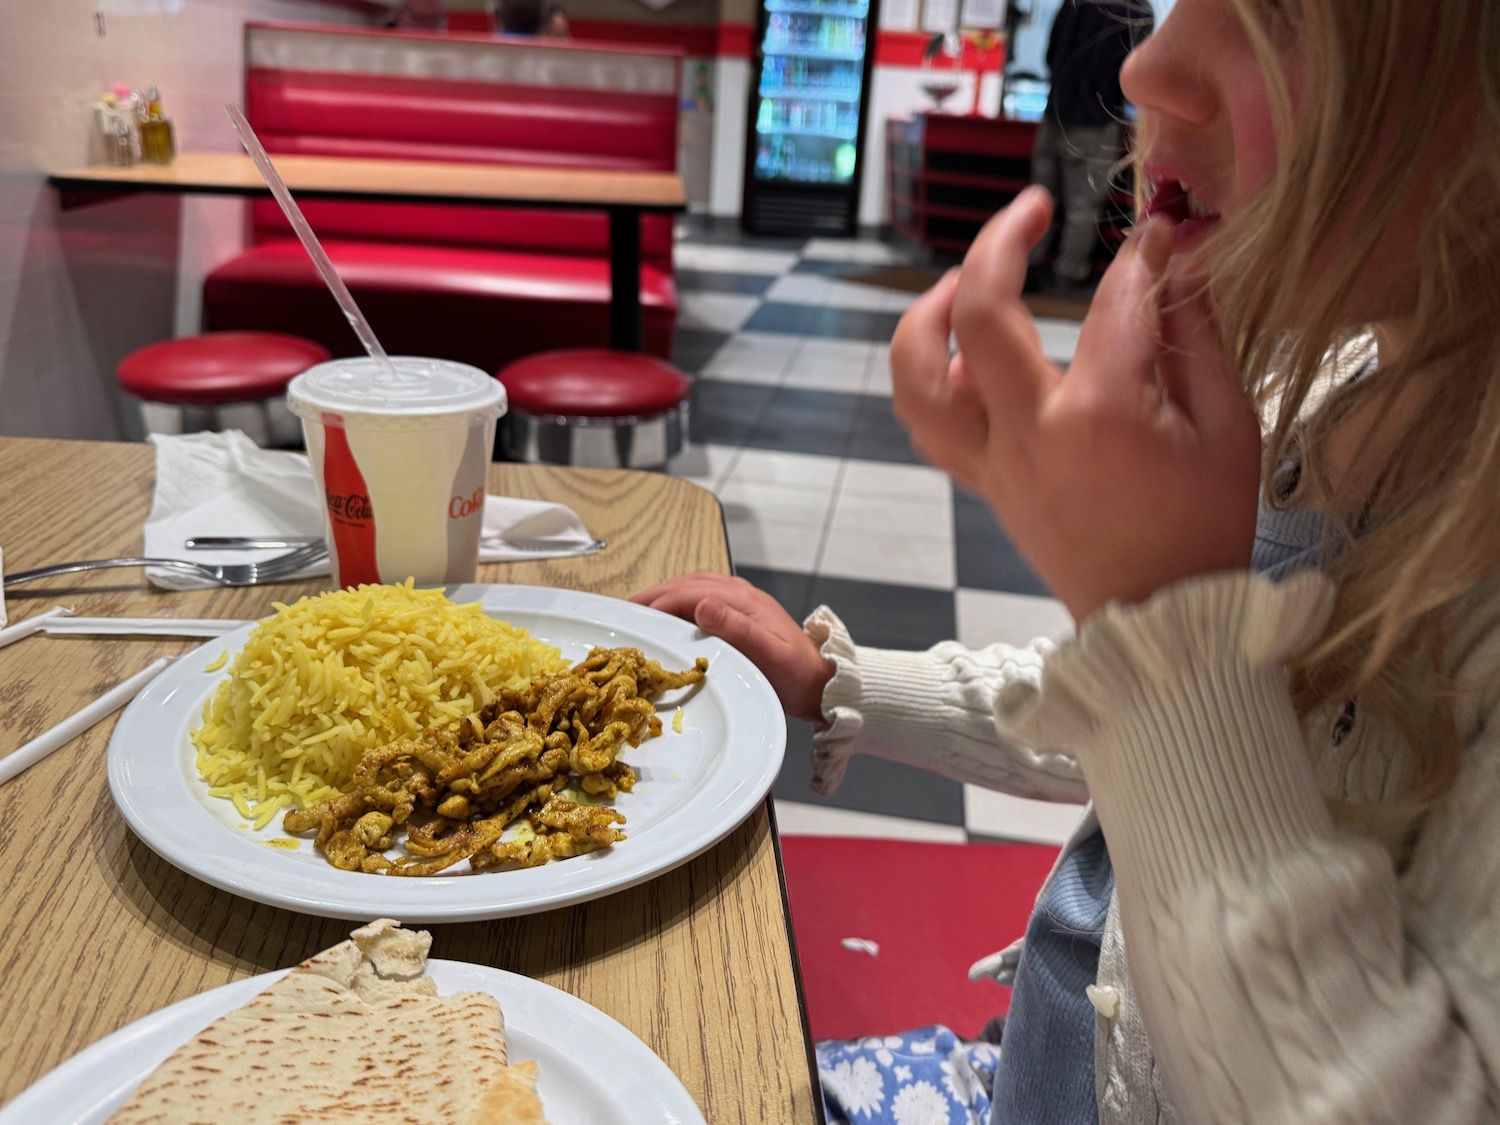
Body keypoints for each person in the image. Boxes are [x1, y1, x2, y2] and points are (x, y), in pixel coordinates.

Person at [634, 0, 1500, 1120]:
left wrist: (1157, 606)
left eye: (1279, 15)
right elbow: (1129, 719)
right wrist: (845, 686)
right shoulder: (1313, 397)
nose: (1148, 65)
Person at [1025, 0, 1151, 299]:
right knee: (1083, 205)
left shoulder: (1073, 3)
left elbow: (1049, 54)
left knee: (1038, 198)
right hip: (1096, 120)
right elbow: (1136, 73)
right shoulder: (1135, 10)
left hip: (1054, 115)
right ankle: (1068, 274)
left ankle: (1026, 266)